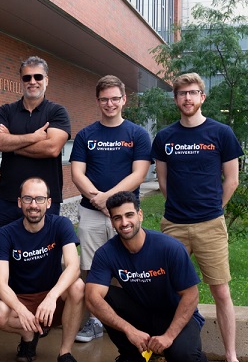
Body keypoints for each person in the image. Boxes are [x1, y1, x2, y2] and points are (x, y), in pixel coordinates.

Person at [151, 72, 243, 362]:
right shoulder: (165, 137)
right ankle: (164, 346)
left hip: (210, 225)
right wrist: (180, 208)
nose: (187, 98)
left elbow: (232, 180)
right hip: (174, 225)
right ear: (176, 98)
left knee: (220, 290)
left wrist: (214, 208)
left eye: (192, 93)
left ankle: (230, 355)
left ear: (202, 97)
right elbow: (163, 182)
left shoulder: (221, 133)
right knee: (167, 290)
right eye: (182, 93)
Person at [69, 75, 151, 343]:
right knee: (92, 268)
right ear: (97, 101)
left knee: (125, 267)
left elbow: (139, 174)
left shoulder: (137, 134)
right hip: (91, 213)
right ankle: (94, 322)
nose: (110, 103)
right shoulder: (86, 135)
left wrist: (110, 201)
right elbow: (77, 174)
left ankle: (122, 320)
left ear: (124, 99)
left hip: (124, 214)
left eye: (115, 98)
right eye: (104, 99)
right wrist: (98, 200)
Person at [85, 191, 208, 362]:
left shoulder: (170, 248)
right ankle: (132, 355)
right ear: (112, 222)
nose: (124, 222)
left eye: (129, 215)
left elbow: (191, 295)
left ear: (140, 215)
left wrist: (168, 337)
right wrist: (129, 330)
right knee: (106, 297)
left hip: (176, 315)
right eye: (117, 218)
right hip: (141, 314)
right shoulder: (106, 253)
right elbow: (92, 298)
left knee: (182, 355)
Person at [0, 177, 83, 362]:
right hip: (21, 299)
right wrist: (21, 309)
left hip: (52, 297)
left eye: (39, 199)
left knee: (78, 286)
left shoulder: (60, 224)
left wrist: (52, 297)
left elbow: (74, 267)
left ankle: (65, 352)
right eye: (28, 199)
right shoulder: (5, 234)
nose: (34, 205)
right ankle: (28, 337)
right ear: (19, 202)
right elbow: (0, 283)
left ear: (49, 202)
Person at [0, 56, 71, 229]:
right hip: (7, 200)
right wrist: (33, 137)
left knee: (43, 253)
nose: (32, 81)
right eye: (27, 77)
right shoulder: (6, 110)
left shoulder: (57, 112)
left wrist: (11, 144)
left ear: (46, 80)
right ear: (21, 80)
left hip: (44, 201)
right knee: (3, 253)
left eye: (38, 77)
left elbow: (52, 148)